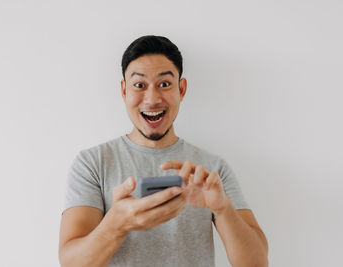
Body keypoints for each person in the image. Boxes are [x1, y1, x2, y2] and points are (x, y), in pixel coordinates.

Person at [58, 35, 268, 267]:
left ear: (182, 89)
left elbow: (257, 262)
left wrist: (223, 208)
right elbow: (71, 263)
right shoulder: (93, 163)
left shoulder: (210, 170)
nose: (152, 98)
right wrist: (118, 223)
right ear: (123, 91)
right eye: (139, 85)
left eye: (164, 84)